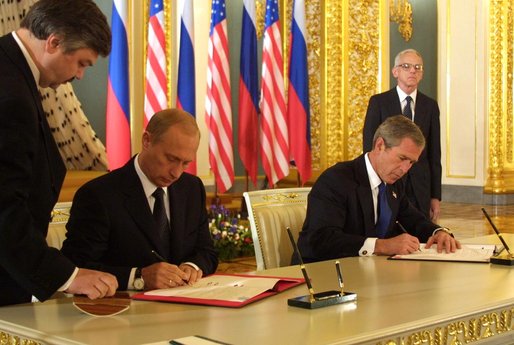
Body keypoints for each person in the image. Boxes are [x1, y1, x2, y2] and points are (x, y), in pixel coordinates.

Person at [0, 0, 118, 306]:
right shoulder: (10, 91)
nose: (80, 75)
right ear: (54, 42)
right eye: (81, 62)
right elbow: (3, 207)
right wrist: (67, 276)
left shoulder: (12, 69)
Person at [61, 109, 218, 291]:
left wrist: (192, 266)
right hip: (120, 312)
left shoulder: (191, 188)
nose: (176, 172)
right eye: (171, 159)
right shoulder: (98, 195)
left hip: (185, 308)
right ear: (146, 141)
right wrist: (138, 277)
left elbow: (207, 252)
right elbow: (76, 266)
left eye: (185, 163)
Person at [297, 115, 459, 263]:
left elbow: (414, 220)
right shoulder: (337, 179)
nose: (405, 169)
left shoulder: (394, 183)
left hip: (369, 272)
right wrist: (381, 246)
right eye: (402, 158)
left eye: (411, 162)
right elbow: (320, 239)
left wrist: (438, 232)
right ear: (380, 145)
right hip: (323, 274)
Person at [363, 49, 441, 221]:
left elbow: (435, 154)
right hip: (388, 179)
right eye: (406, 66)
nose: (412, 71)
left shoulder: (430, 106)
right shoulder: (379, 102)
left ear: (421, 74)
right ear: (395, 72)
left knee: (420, 231)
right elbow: (370, 145)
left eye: (417, 67)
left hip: (420, 186)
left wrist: (435, 196)